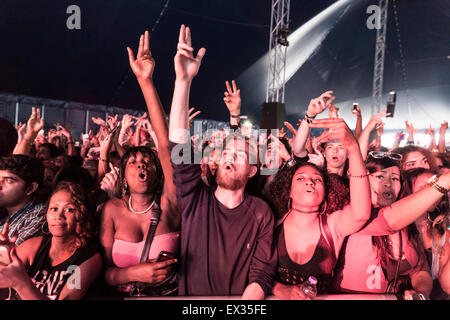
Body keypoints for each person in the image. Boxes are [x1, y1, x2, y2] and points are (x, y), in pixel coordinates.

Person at [169, 24, 276, 299]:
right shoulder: (195, 199)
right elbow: (179, 146)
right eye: (226, 152)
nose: (230, 156)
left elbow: (261, 274)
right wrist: (183, 81)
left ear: (253, 170)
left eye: (240, 155)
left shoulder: (261, 213)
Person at [100, 30, 180, 297]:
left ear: (157, 173)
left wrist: (146, 83)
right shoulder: (112, 209)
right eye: (132, 161)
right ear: (123, 176)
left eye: (147, 160)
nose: (141, 163)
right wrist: (132, 273)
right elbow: (103, 272)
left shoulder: (169, 204)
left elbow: (168, 149)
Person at [269, 117, 372, 299]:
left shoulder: (332, 226)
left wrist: (354, 150)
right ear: (289, 190)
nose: (309, 181)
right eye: (300, 178)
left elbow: (361, 213)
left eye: (317, 179)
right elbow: (249, 269)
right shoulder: (272, 223)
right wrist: (279, 289)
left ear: (325, 191)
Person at [332, 154, 450, 299]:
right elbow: (388, 220)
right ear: (364, 181)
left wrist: (421, 292)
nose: (388, 183)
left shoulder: (407, 227)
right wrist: (444, 181)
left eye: (394, 178)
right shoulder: (353, 216)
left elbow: (420, 270)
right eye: (380, 177)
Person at [0, 182, 102, 300]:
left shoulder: (88, 260)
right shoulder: (33, 246)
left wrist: (21, 283)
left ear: (83, 216)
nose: (58, 215)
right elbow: (3, 291)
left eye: (69, 210)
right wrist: (3, 256)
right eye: (54, 209)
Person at [402, 168, 450, 299]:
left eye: (435, 185)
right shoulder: (397, 232)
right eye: (425, 186)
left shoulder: (444, 230)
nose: (433, 191)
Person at [0, 155, 47, 246]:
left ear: (30, 188)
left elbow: (12, 257)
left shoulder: (37, 219)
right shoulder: (3, 210)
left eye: (8, 181)